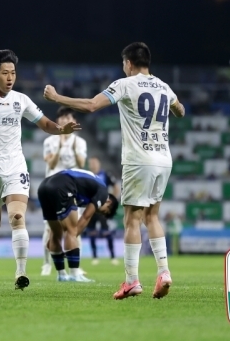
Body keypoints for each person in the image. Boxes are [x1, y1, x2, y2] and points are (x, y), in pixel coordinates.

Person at [43, 42, 185, 300]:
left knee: (132, 219)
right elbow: (181, 110)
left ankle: (132, 281)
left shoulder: (125, 84)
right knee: (152, 217)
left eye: (124, 64)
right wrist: (172, 107)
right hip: (164, 158)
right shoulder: (164, 86)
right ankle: (164, 272)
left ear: (129, 63)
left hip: (139, 159)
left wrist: (57, 98)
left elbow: (90, 105)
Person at [0, 49, 81, 290]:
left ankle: (21, 272)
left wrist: (61, 129)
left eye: (13, 72)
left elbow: (45, 123)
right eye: (5, 73)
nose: (10, 77)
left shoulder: (20, 99)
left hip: (15, 167)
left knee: (17, 217)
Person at [37, 168, 118, 282]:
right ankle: (75, 274)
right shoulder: (103, 193)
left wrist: (63, 241)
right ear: (109, 202)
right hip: (62, 185)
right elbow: (85, 217)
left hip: (44, 186)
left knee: (55, 233)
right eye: (104, 211)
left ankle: (61, 275)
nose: (99, 212)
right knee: (71, 230)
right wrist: (71, 239)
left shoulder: (91, 188)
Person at [41, 106, 87, 277]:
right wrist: (60, 147)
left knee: (74, 229)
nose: (65, 120)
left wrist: (73, 148)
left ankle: (76, 265)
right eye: (61, 117)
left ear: (74, 121)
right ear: (58, 121)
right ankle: (46, 264)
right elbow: (51, 165)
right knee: (50, 229)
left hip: (73, 187)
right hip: (53, 186)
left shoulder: (80, 142)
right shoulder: (49, 141)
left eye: (68, 117)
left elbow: (82, 164)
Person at [87, 157, 120, 266]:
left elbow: (116, 187)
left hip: (103, 208)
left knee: (107, 232)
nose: (93, 165)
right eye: (91, 163)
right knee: (91, 232)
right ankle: (95, 257)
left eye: (94, 162)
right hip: (91, 207)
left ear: (99, 163)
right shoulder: (87, 175)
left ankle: (113, 256)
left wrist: (112, 201)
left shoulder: (105, 174)